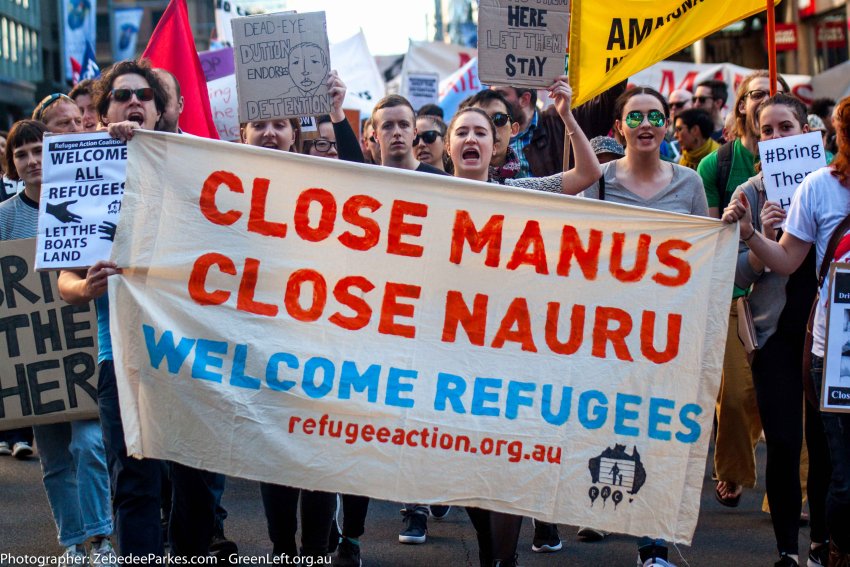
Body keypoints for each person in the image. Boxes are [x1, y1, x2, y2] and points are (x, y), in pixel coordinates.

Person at [445, 75, 600, 567]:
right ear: (449, 148)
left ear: (495, 148)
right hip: (449, 351)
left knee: (504, 464)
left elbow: (588, 174)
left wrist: (566, 116)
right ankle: (495, 551)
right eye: (462, 133)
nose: (472, 139)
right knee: (462, 466)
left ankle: (502, 559)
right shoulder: (420, 194)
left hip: (510, 350)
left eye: (481, 133)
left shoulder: (523, 189)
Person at [722, 94, 850, 567]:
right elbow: (735, 278)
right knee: (783, 441)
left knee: (823, 442)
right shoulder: (751, 194)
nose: (776, 137)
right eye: (767, 130)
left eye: (785, 127)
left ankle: (820, 539)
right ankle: (785, 551)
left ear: (807, 130)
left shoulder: (827, 183)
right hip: (775, 333)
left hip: (827, 332)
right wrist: (759, 238)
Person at [1, 119, 116, 565]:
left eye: (38, 150)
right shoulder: (5, 218)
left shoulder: (86, 206)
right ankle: (73, 540)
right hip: (37, 360)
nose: (31, 161)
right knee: (55, 460)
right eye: (21, 154)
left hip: (85, 347)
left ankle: (101, 537)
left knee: (89, 445)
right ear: (12, 163)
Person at [698, 70, 790, 510]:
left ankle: (796, 490)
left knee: (798, 406)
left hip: (794, 298)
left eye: (777, 99)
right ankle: (734, 470)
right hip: (739, 295)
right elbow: (717, 248)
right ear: (742, 108)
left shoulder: (822, 166)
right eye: (757, 96)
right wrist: (749, 231)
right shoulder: (718, 167)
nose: (765, 104)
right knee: (735, 395)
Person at [490, 80, 626, 177]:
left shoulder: (561, 122)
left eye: (500, 94)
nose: (492, 101)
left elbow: (609, 100)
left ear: (524, 99)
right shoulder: (485, 132)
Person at [459, 90, 521, 183]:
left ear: (513, 129)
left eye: (499, 119)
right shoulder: (443, 178)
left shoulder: (531, 176)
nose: (489, 127)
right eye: (480, 120)